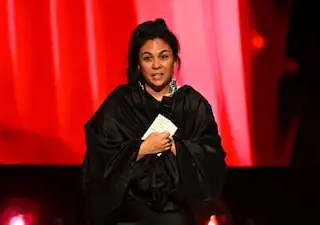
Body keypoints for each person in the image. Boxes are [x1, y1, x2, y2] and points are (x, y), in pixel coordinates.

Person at [82, 18, 228, 225]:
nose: (156, 65)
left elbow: (213, 159)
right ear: (138, 65)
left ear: (175, 61)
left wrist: (178, 148)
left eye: (164, 56)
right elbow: (98, 159)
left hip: (177, 215)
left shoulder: (192, 105)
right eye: (147, 58)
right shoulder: (121, 103)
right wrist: (141, 149)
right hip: (128, 216)